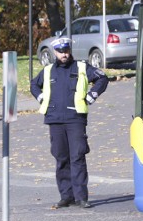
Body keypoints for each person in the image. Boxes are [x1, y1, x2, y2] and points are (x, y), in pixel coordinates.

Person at [30, 36, 108, 209]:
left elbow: (102, 79)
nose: (64, 54)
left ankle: (81, 197)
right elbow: (34, 85)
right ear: (55, 52)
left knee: (77, 157)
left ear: (70, 51)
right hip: (55, 119)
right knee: (61, 158)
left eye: (66, 51)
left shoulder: (81, 67)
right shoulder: (49, 70)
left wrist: (91, 95)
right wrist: (41, 97)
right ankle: (66, 196)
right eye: (60, 52)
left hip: (75, 119)